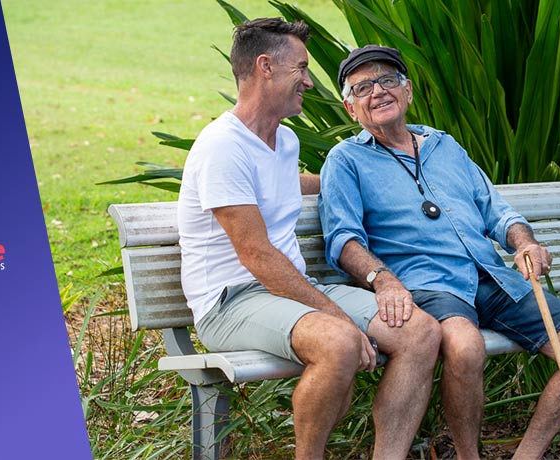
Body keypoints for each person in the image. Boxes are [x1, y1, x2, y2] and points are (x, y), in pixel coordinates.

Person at [319, 45, 560, 460]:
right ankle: (467, 455)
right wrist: (381, 281)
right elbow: (342, 239)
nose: (377, 92)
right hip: (428, 284)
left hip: (492, 277)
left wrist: (524, 242)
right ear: (351, 109)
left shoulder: (446, 146)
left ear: (407, 92)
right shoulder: (345, 160)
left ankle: (527, 455)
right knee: (465, 345)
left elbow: (497, 210)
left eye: (387, 80)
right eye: (362, 87)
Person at [177, 21, 441, 459]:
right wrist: (337, 315)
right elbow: (256, 254)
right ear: (265, 67)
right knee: (337, 342)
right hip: (229, 301)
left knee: (420, 332)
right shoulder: (222, 147)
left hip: (289, 291)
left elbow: (290, 183)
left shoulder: (284, 139)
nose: (309, 79)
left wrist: (364, 180)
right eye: (300, 67)